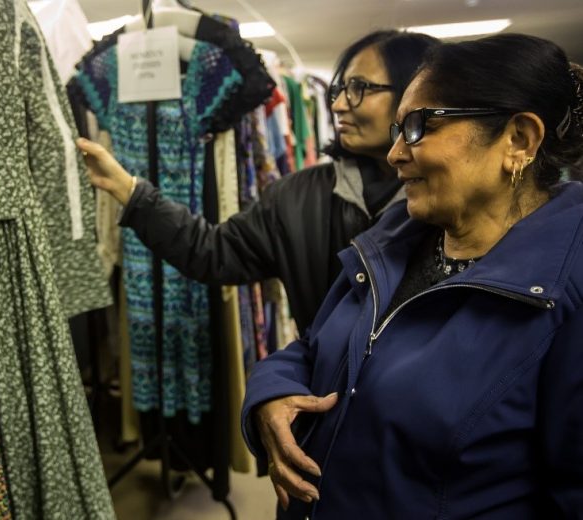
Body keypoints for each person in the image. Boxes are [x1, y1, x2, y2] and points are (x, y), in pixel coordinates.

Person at [241, 33, 583, 519]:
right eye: (399, 129)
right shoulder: (395, 236)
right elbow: (315, 347)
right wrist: (269, 394)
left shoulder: (564, 290)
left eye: (420, 126)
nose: (396, 153)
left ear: (518, 139)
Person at [76, 30, 439, 333]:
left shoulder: (451, 203)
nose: (339, 105)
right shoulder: (295, 196)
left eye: (358, 87)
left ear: (413, 94)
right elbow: (214, 253)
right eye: (339, 89)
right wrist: (129, 191)